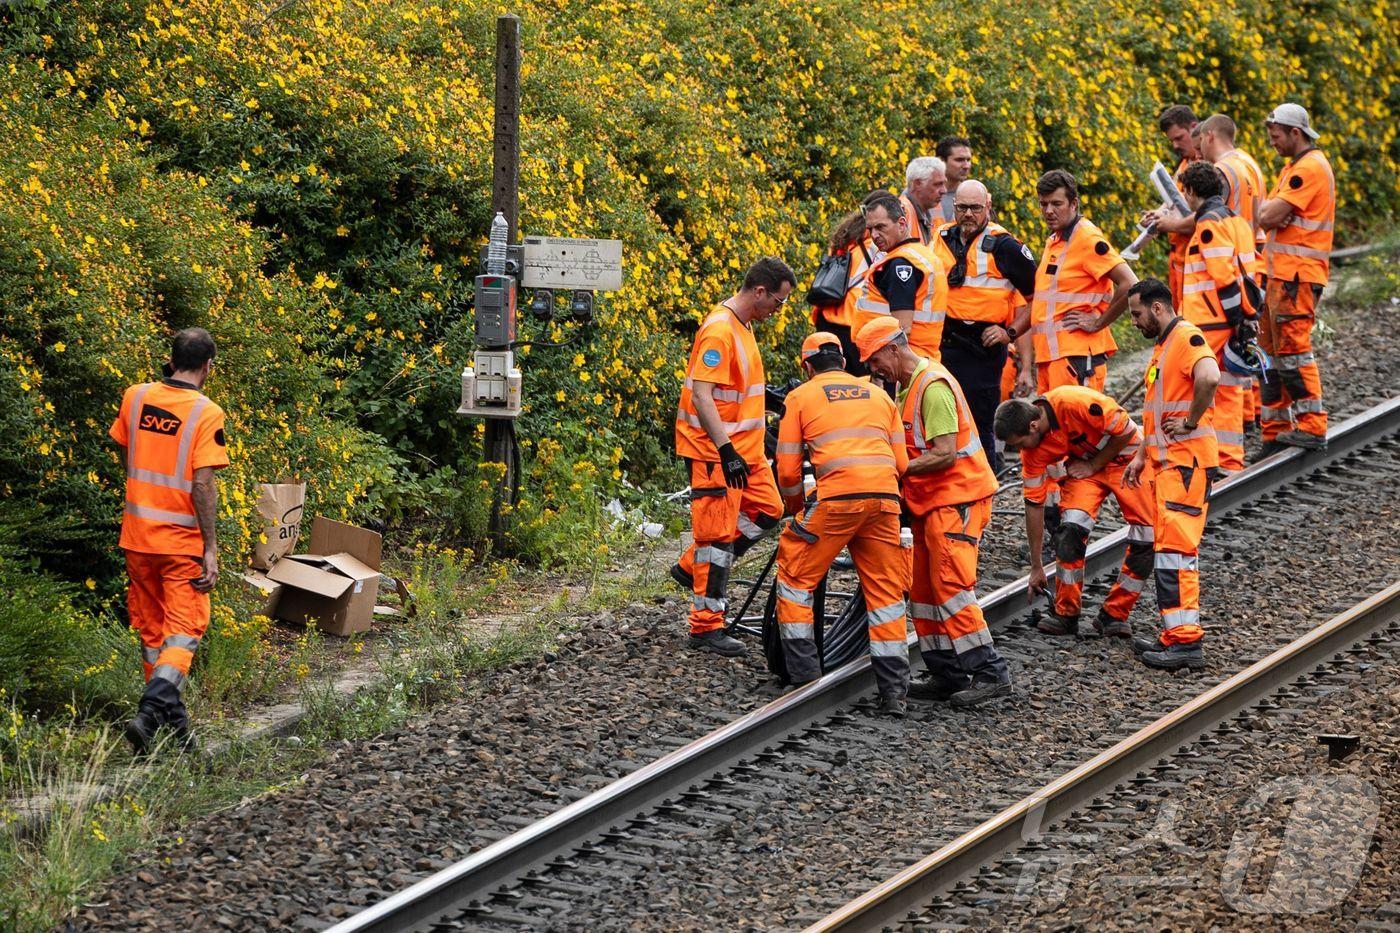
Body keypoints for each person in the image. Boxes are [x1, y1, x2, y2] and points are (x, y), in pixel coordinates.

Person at [858, 316, 1013, 706]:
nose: (874, 369)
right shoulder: (907, 387)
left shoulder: (932, 386)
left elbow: (944, 453)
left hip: (957, 499)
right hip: (932, 504)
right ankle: (946, 672)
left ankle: (990, 672)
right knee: (924, 591)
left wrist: (899, 469)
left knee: (952, 587)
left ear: (893, 348)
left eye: (875, 360)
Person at [773, 333, 911, 714]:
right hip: (885, 501)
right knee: (885, 597)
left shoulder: (801, 397)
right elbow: (900, 464)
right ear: (845, 363)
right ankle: (894, 693)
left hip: (834, 501)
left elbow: (787, 470)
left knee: (796, 581)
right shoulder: (881, 396)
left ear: (807, 367)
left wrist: (799, 507)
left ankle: (805, 680)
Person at [110, 328, 229, 755]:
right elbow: (203, 485)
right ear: (208, 366)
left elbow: (125, 451)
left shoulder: (135, 397)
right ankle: (148, 714)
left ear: (172, 358)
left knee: (153, 633)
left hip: (137, 538)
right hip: (180, 544)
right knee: (184, 631)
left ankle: (174, 734)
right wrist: (210, 548)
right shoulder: (205, 412)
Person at [673, 257, 794, 656]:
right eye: (777, 302)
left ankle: (693, 567)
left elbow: (735, 391)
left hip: (747, 452)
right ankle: (706, 626)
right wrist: (725, 451)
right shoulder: (720, 332)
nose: (777, 311)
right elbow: (703, 396)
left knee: (769, 509)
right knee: (716, 537)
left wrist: (773, 400)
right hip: (716, 453)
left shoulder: (740, 327)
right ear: (759, 291)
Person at [994, 390, 1154, 638]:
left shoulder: (1075, 403)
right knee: (1069, 532)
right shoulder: (1033, 452)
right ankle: (1066, 613)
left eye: (1018, 443)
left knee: (1148, 537)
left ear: (1033, 425)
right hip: (1087, 470)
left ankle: (1115, 614)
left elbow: (1127, 432)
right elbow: (1033, 505)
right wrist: (1036, 566)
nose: (1019, 450)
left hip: (1129, 461)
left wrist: (1094, 464)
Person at [1123, 279, 1220, 671]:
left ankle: (1185, 642)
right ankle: (1174, 635)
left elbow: (1210, 377)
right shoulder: (1165, 345)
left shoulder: (1185, 337)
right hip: (1170, 465)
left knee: (1177, 555)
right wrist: (1143, 455)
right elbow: (1159, 409)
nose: (1133, 321)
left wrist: (1192, 420)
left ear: (1158, 308)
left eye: (1136, 313)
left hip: (1185, 464)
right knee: (1169, 554)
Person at [932, 180, 1037, 470]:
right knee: (944, 419)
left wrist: (1010, 332)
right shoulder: (941, 236)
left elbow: (1038, 297)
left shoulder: (1005, 246)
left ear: (988, 207)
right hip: (944, 342)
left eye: (975, 208)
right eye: (962, 207)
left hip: (983, 346)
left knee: (980, 423)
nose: (968, 214)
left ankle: (983, 488)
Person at [1257, 102, 1335, 453]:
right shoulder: (1294, 167)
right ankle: (1275, 429)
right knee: (1271, 354)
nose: (1272, 142)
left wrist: (1273, 215)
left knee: (1294, 352)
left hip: (1296, 277)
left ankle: (1312, 425)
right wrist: (1271, 215)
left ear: (1295, 133)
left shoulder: (1309, 169)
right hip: (1282, 276)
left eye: (1276, 136)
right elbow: (1268, 214)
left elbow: (1268, 216)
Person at [1177, 160, 1264, 474]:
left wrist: (1237, 320)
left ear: (1189, 191)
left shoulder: (1208, 225)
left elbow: (1223, 277)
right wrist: (1246, 319)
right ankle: (1230, 461)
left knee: (1200, 390)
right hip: (1231, 320)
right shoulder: (1238, 221)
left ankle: (1210, 460)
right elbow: (1252, 271)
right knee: (1229, 391)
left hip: (1210, 322)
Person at [1030, 169, 1138, 394]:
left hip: (1075, 358)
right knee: (1054, 428)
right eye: (1044, 204)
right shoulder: (1057, 239)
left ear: (1074, 204)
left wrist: (1099, 322)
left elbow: (1130, 283)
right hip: (1053, 357)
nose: (1049, 211)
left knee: (1078, 427)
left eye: (1056, 204)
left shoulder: (1087, 238)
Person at [855, 192, 948, 360]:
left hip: (898, 362)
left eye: (880, 227)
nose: (874, 235)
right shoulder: (921, 254)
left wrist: (882, 373)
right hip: (921, 357)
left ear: (902, 223)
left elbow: (901, 330)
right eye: (870, 229)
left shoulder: (901, 264)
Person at [1140, 104, 1201, 308]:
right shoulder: (1185, 164)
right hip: (1178, 256)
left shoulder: (1207, 166)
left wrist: (1169, 225)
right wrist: (1157, 215)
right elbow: (1174, 203)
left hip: (1197, 255)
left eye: (1179, 138)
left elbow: (1206, 214)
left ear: (1194, 127)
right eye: (1171, 140)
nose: (1175, 145)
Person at [811, 205, 876, 376]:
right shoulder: (873, 246)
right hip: (852, 323)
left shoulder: (842, 244)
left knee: (831, 378)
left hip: (826, 319)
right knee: (861, 382)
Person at [1193, 113, 1268, 245]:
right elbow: (1256, 215)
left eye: (1201, 139)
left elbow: (1206, 213)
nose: (1198, 153)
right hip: (1246, 248)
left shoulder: (1221, 170)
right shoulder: (1244, 163)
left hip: (1227, 248)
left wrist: (1172, 224)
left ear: (1209, 136)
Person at [899, 157, 947, 245]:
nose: (944, 190)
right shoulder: (903, 212)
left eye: (944, 183)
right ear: (917, 184)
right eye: (937, 184)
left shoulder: (929, 207)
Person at [935, 137, 973, 223]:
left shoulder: (975, 196)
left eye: (968, 160)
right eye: (959, 160)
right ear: (941, 161)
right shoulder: (921, 194)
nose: (966, 166)